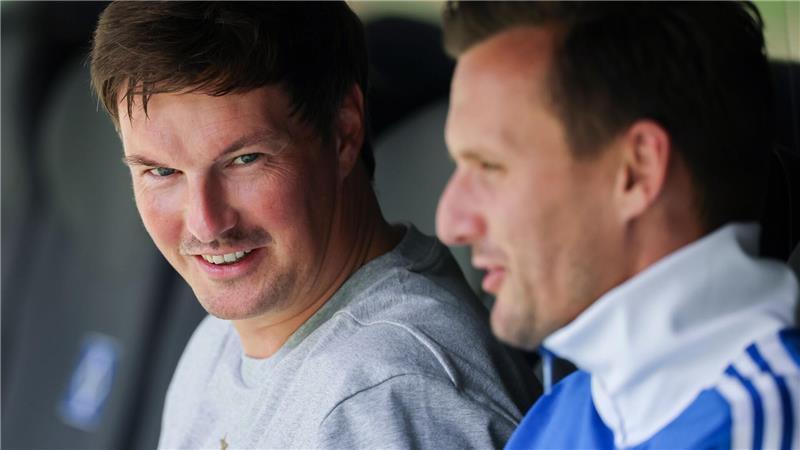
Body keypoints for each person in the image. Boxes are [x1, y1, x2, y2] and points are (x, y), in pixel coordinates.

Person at [90, 2, 538, 448]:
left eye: (245, 160)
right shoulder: (226, 339)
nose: (206, 224)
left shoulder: (382, 399)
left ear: (344, 132)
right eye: (162, 173)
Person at [436, 2, 800, 449]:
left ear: (637, 170)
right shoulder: (560, 416)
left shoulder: (766, 429)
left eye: (490, 166)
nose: (450, 222)